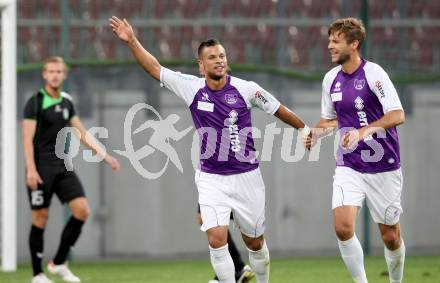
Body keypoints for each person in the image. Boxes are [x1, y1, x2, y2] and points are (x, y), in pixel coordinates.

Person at [110, 16, 310, 283]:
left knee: (255, 242)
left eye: (222, 56)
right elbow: (154, 68)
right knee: (216, 240)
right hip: (211, 179)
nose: (220, 60)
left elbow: (277, 108)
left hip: (247, 177)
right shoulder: (191, 87)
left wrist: (303, 128)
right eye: (213, 57)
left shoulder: (247, 89)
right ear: (201, 65)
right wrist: (132, 41)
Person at [304, 18, 406, 283]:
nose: (329, 46)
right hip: (349, 165)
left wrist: (363, 131)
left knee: (391, 236)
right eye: (329, 40)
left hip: (384, 165)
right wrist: (316, 133)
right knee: (342, 226)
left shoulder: (374, 74)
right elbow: (330, 120)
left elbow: (397, 114)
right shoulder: (330, 80)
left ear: (354, 44)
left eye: (335, 41)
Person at [22, 56, 120, 283]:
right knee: (40, 217)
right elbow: (26, 139)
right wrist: (30, 170)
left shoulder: (67, 102)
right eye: (51, 71)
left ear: (64, 75)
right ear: (44, 75)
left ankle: (57, 262)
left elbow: (82, 133)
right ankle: (37, 274)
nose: (55, 75)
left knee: (82, 211)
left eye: (59, 71)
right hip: (40, 168)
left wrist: (105, 155)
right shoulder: (35, 102)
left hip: (62, 166)